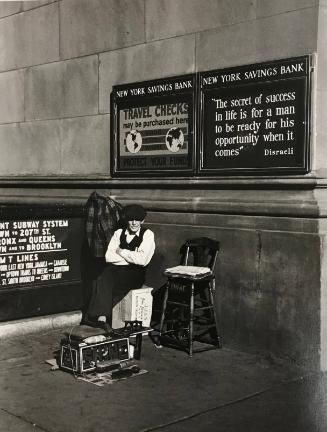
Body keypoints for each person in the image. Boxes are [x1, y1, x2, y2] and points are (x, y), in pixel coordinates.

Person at [93, 204, 155, 331]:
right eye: (131, 219)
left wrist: (121, 252)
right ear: (127, 220)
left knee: (114, 280)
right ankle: (102, 318)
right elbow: (109, 257)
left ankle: (106, 317)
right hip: (117, 269)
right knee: (103, 276)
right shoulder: (119, 233)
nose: (133, 223)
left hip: (135, 273)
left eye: (137, 220)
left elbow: (143, 260)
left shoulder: (148, 234)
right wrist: (131, 258)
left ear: (142, 221)